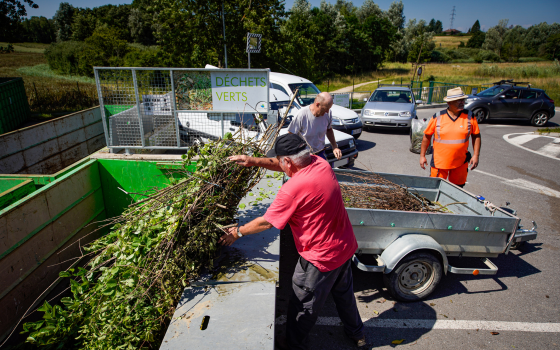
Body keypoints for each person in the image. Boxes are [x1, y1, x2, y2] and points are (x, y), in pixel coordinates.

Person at [222, 133, 366, 349]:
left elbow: (267, 222)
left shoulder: (292, 190)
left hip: (319, 259)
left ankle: (292, 345)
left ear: (287, 161)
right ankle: (357, 334)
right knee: (344, 296)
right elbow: (287, 165)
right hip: (344, 246)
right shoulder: (320, 163)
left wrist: (237, 232)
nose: (279, 163)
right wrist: (253, 161)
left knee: (303, 305)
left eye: (280, 160)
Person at [419, 87, 481, 187]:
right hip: (440, 163)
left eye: (463, 100)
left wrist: (476, 155)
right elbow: (426, 137)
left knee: (457, 190)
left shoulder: (470, 116)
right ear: (449, 103)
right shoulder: (438, 117)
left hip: (460, 162)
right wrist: (422, 156)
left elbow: (476, 136)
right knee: (435, 188)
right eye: (458, 100)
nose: (462, 102)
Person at [288, 91, 342, 161]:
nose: (327, 112)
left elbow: (329, 130)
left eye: (329, 109)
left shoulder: (328, 114)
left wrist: (335, 147)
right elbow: (291, 135)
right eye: (325, 109)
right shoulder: (301, 115)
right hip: (304, 155)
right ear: (317, 104)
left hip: (320, 153)